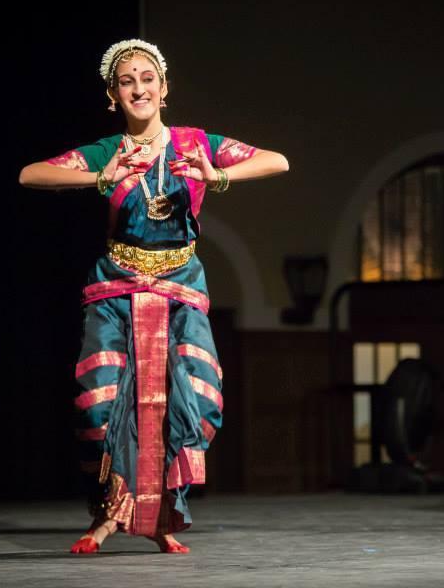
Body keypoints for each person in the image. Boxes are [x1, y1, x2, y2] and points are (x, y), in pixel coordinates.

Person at [19, 39, 289, 553]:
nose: (138, 88)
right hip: (115, 287)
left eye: (147, 79)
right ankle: (108, 515)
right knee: (100, 405)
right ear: (113, 96)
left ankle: (162, 513)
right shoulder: (108, 151)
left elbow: (278, 161)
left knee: (196, 400)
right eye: (127, 82)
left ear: (165, 88)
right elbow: (30, 174)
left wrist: (218, 175)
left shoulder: (195, 144)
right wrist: (100, 177)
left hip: (180, 285)